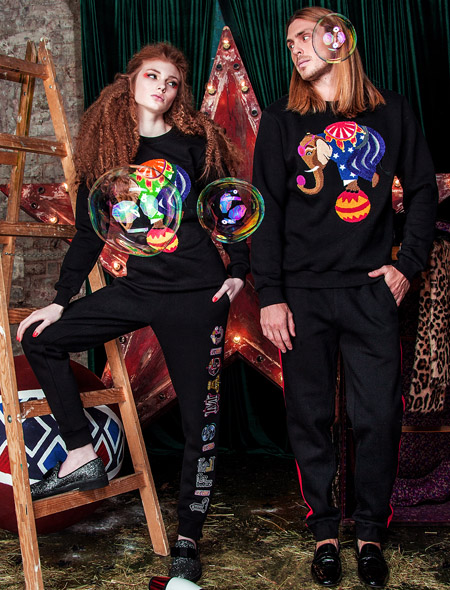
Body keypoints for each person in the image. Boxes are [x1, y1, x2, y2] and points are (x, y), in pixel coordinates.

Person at [17, 42, 249, 583]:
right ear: (130, 82)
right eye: (153, 76)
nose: (162, 87)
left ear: (178, 94)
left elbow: (226, 205)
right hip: (139, 287)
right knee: (42, 339)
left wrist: (238, 269)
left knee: (199, 422)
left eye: (172, 82)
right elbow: (88, 234)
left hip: (198, 295)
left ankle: (187, 538)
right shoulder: (107, 152)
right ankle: (81, 452)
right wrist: (60, 300)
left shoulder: (194, 144)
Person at [251, 7, 437, 588]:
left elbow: (424, 191)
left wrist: (406, 266)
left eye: (305, 38)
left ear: (338, 40)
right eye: (289, 43)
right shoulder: (281, 121)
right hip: (301, 296)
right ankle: (325, 533)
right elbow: (265, 212)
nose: (295, 49)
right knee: (309, 417)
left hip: (369, 292)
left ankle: (370, 534)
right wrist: (270, 295)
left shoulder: (393, 111)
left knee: (376, 417)